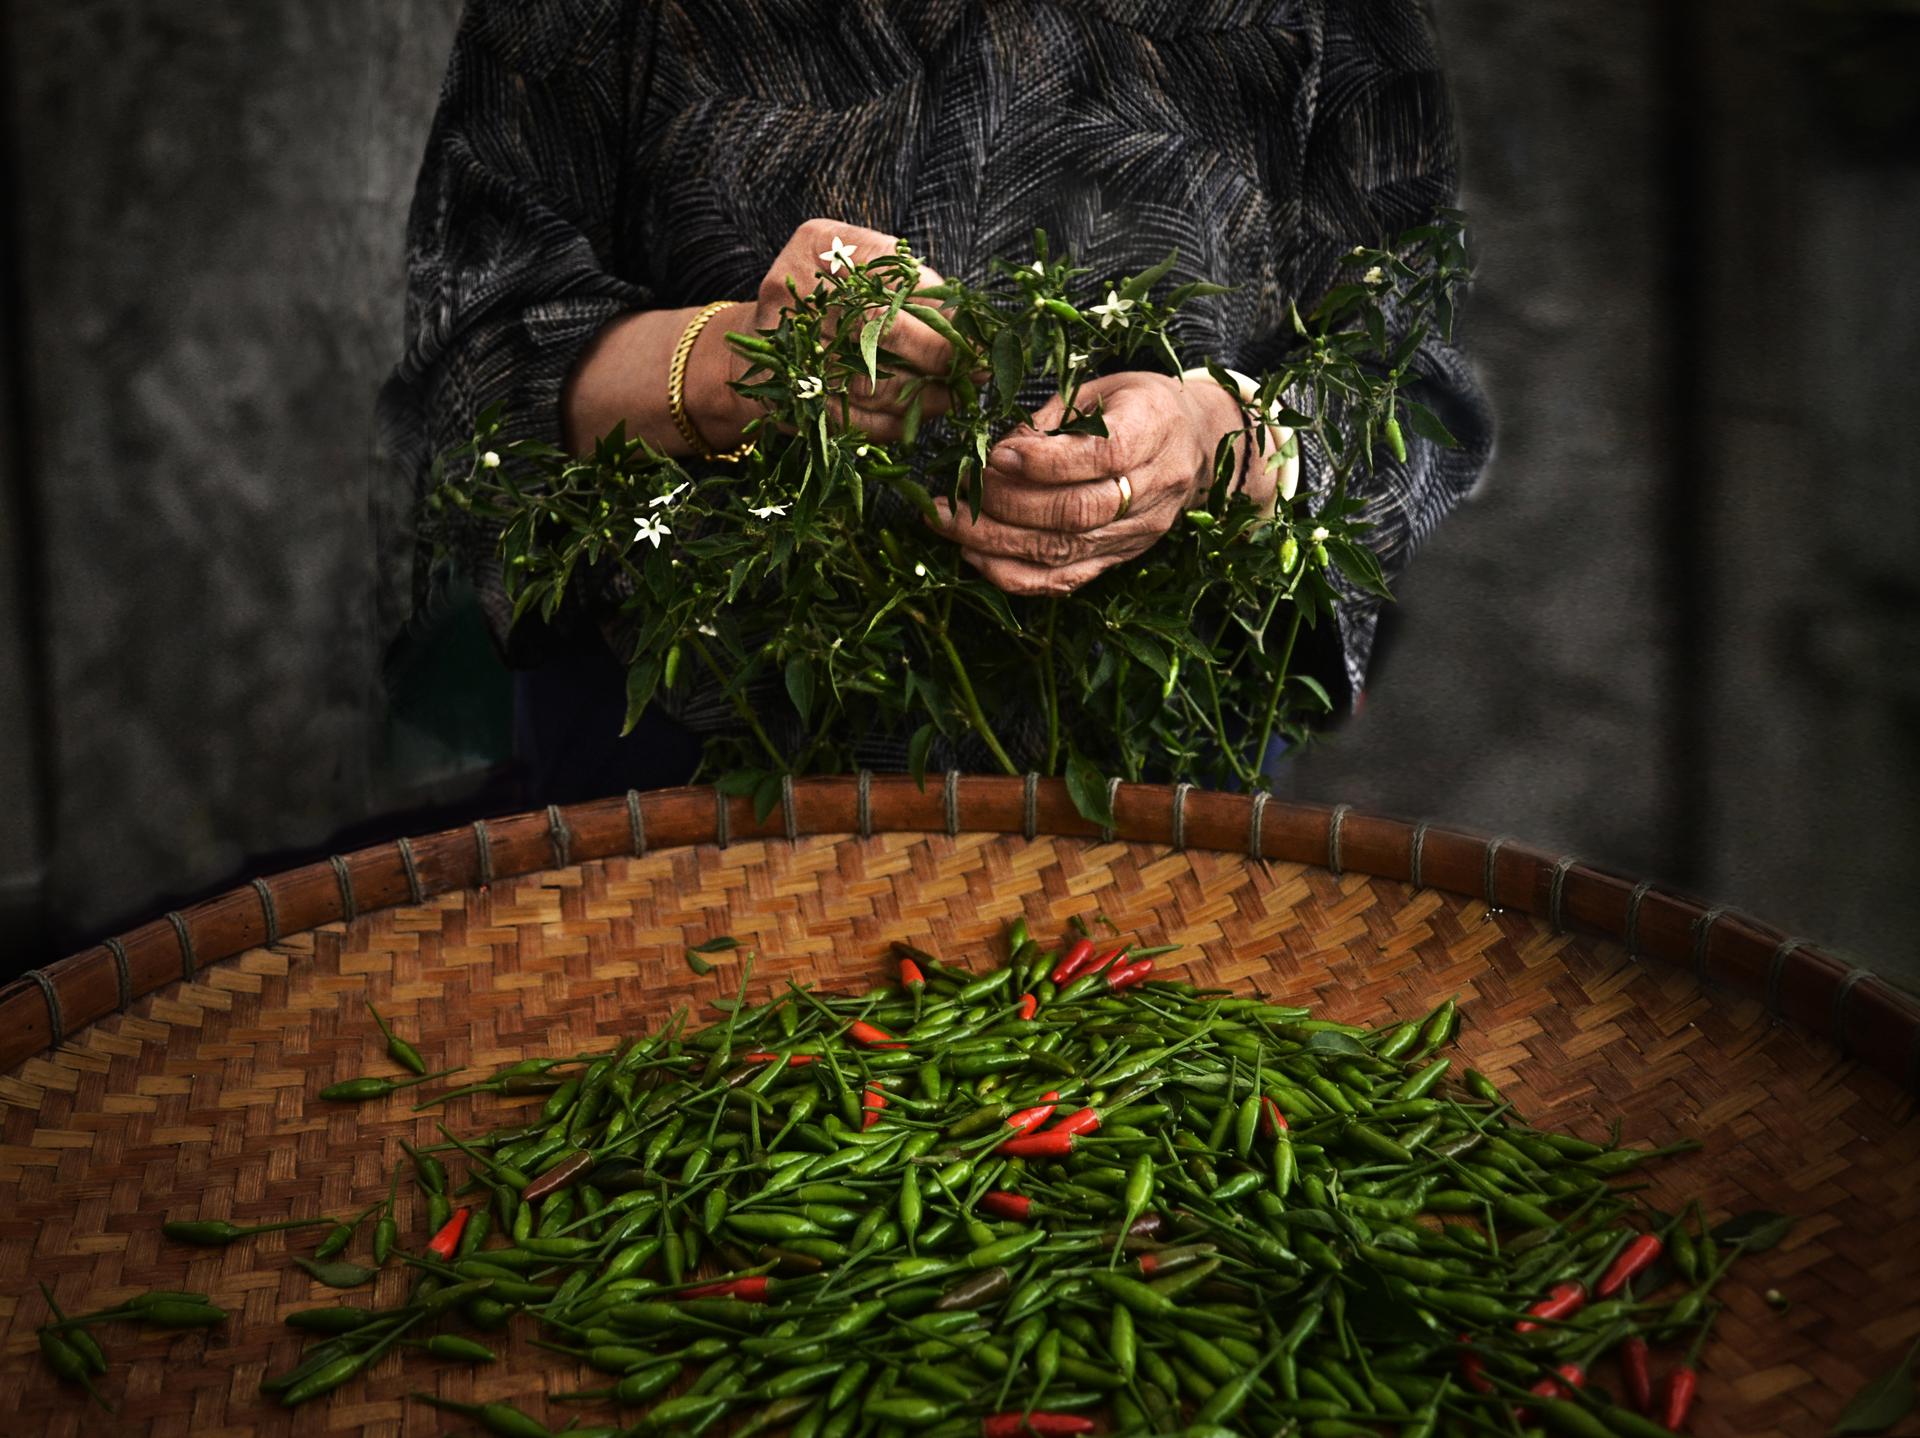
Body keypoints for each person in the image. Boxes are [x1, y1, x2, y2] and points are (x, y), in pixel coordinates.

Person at [377, 0, 1494, 803]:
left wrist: (1220, 439)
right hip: (682, 782)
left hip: (1138, 794)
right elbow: (465, 361)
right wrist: (732, 367)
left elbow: (1417, 394)